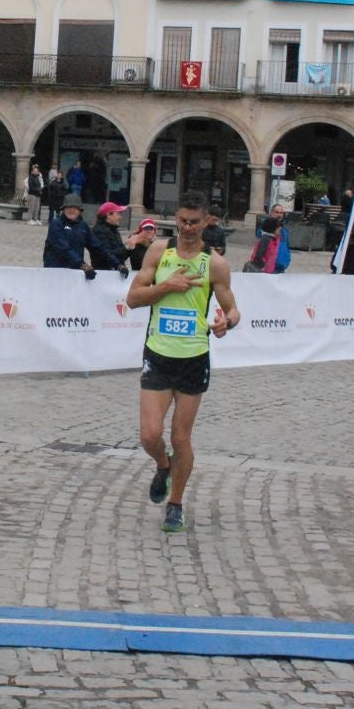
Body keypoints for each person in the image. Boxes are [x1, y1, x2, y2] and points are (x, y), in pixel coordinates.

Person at [127, 191, 240, 534]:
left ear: (207, 221)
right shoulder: (160, 252)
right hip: (158, 354)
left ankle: (175, 504)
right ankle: (163, 466)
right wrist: (168, 286)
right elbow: (133, 299)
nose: (187, 227)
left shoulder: (215, 264)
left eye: (194, 222)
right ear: (174, 218)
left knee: (180, 437)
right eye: (181, 221)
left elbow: (233, 309)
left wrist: (227, 323)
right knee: (149, 434)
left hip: (193, 357)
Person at [43, 194, 96, 276]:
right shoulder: (55, 224)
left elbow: (96, 246)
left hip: (75, 271)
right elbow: (63, 248)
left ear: (80, 210)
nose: (71, 210)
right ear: (63, 209)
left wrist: (117, 264)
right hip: (55, 270)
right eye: (68, 207)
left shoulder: (83, 226)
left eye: (74, 207)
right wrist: (82, 264)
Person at [87, 201, 131, 271]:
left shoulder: (115, 230)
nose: (121, 217)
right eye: (118, 214)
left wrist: (131, 247)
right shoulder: (99, 231)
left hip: (116, 272)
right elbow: (106, 255)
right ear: (108, 215)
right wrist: (126, 247)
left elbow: (121, 256)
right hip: (103, 273)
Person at [264, 203, 292, 273]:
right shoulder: (265, 227)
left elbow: (287, 246)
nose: (279, 215)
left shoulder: (284, 230)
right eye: (277, 212)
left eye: (281, 213)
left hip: (281, 267)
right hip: (269, 267)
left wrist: (287, 260)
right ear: (271, 213)